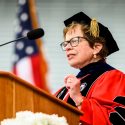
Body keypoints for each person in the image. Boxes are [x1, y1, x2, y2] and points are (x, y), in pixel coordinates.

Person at [55, 12, 125, 125]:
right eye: (66, 43)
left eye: (74, 41)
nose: (67, 47)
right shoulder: (64, 90)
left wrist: (79, 100)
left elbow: (118, 120)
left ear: (96, 48)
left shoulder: (113, 78)